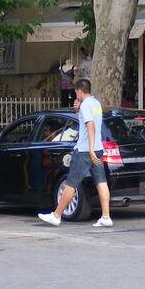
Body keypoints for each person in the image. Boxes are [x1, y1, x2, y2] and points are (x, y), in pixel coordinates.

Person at [38, 78, 113, 228]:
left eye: (76, 92)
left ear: (79, 91)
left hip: (86, 150)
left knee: (71, 183)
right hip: (98, 149)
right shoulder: (96, 103)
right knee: (101, 182)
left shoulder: (85, 105)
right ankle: (106, 216)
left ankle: (56, 215)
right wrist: (77, 111)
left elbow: (90, 126)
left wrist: (90, 149)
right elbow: (90, 123)